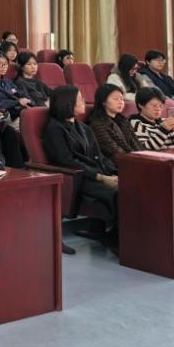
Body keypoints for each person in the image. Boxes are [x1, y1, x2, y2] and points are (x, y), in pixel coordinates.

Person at [42, 85, 118, 248]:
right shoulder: (54, 129)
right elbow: (66, 161)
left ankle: (113, 234)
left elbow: (99, 156)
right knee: (118, 193)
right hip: (78, 178)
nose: (84, 101)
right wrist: (100, 177)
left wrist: (115, 172)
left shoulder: (83, 127)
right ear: (67, 103)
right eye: (79, 99)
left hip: (96, 173)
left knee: (131, 185)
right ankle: (117, 242)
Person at [86, 83, 138, 162]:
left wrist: (144, 157)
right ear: (103, 101)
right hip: (115, 163)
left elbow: (135, 143)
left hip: (132, 159)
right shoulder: (97, 124)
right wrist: (136, 160)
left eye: (122, 99)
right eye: (116, 99)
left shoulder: (123, 121)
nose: (120, 102)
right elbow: (113, 151)